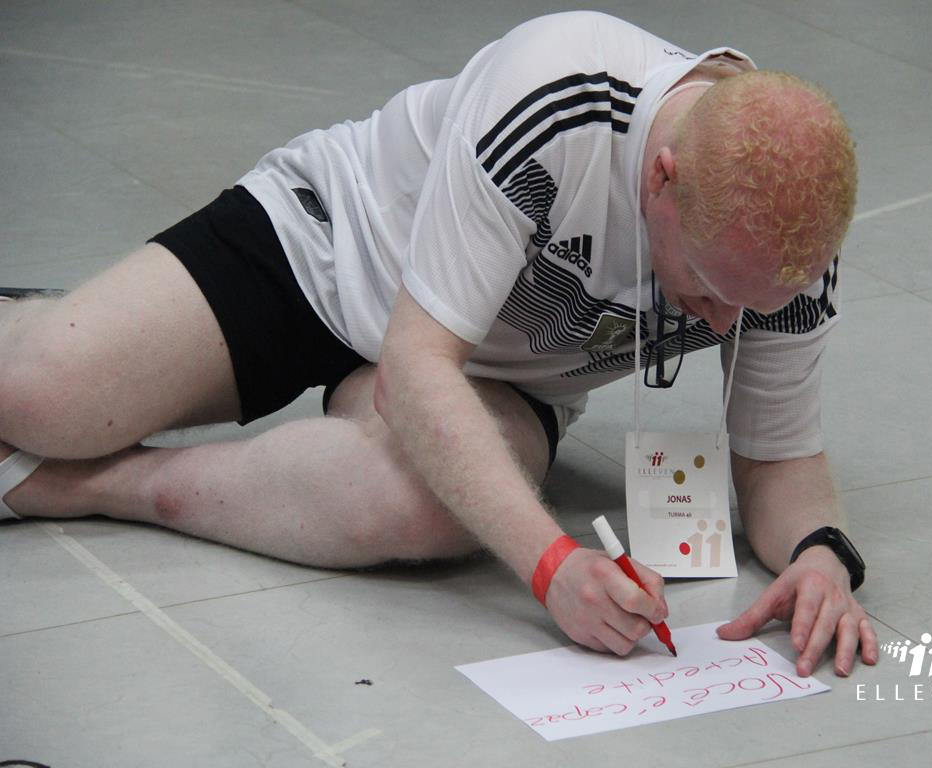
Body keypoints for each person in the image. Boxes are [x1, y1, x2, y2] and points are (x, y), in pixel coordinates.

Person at [0, 11, 877, 678]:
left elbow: (780, 460)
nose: (720, 326)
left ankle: (82, 486)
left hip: (498, 376)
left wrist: (820, 556)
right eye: (709, 290)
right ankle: (34, 326)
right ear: (662, 178)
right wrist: (552, 568)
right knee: (37, 395)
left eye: (747, 307)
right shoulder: (559, 95)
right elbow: (414, 368)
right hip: (329, 250)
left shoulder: (782, 252)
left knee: (423, 512)